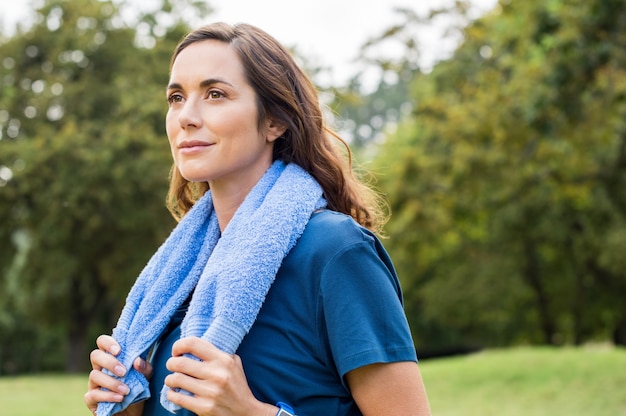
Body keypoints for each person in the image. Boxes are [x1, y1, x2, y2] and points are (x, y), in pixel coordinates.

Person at [84, 22, 431, 416]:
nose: (186, 117)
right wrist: (128, 407)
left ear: (274, 122)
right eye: (176, 97)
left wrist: (250, 412)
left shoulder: (336, 251)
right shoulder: (179, 273)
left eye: (215, 94)